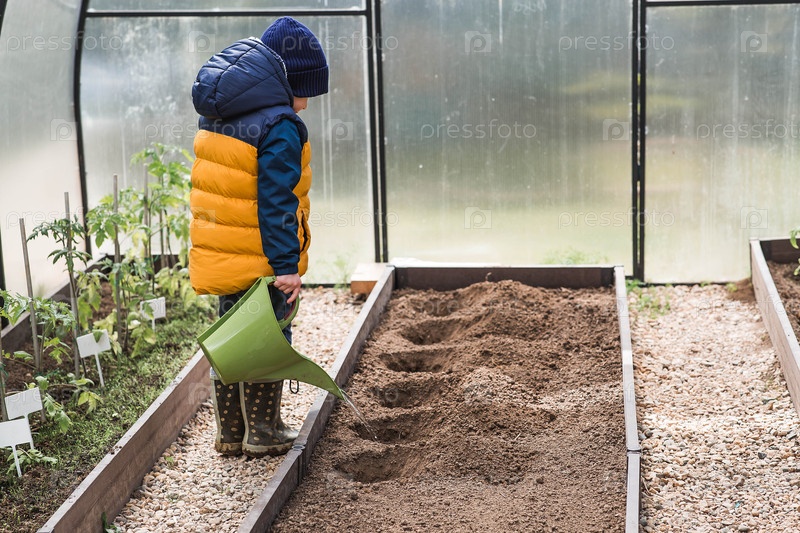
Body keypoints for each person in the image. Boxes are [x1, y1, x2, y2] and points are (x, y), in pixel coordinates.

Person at [188, 17, 328, 457]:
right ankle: (263, 432)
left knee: (233, 337)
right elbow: (276, 202)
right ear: (287, 81)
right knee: (268, 338)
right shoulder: (280, 126)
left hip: (224, 255)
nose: (306, 104)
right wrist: (286, 267)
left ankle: (231, 434)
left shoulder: (221, 111)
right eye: (305, 91)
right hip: (262, 261)